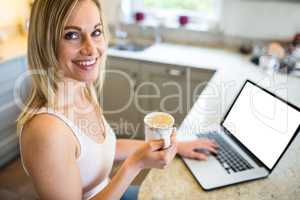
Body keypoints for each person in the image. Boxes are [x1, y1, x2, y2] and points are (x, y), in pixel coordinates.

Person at [17, 0, 218, 199]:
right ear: (44, 42)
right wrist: (135, 164)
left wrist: (174, 146)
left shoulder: (82, 90)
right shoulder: (46, 132)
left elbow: (101, 150)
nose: (91, 48)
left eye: (96, 32)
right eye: (72, 35)